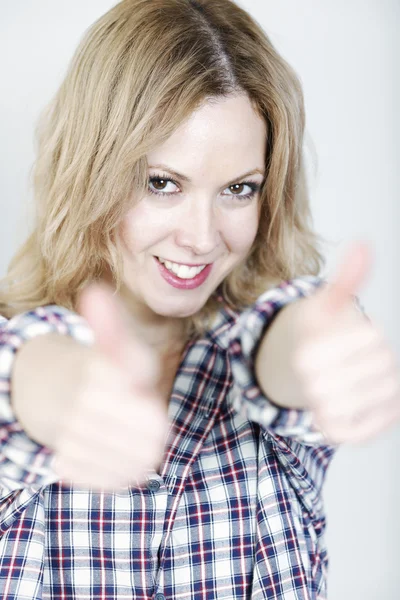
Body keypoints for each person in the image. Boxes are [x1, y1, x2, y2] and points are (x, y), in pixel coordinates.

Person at [0, 0, 399, 598]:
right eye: (163, 183)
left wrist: (319, 350)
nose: (203, 236)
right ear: (92, 171)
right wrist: (65, 391)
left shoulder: (268, 356)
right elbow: (26, 373)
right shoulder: (27, 360)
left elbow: (282, 345)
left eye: (239, 189)